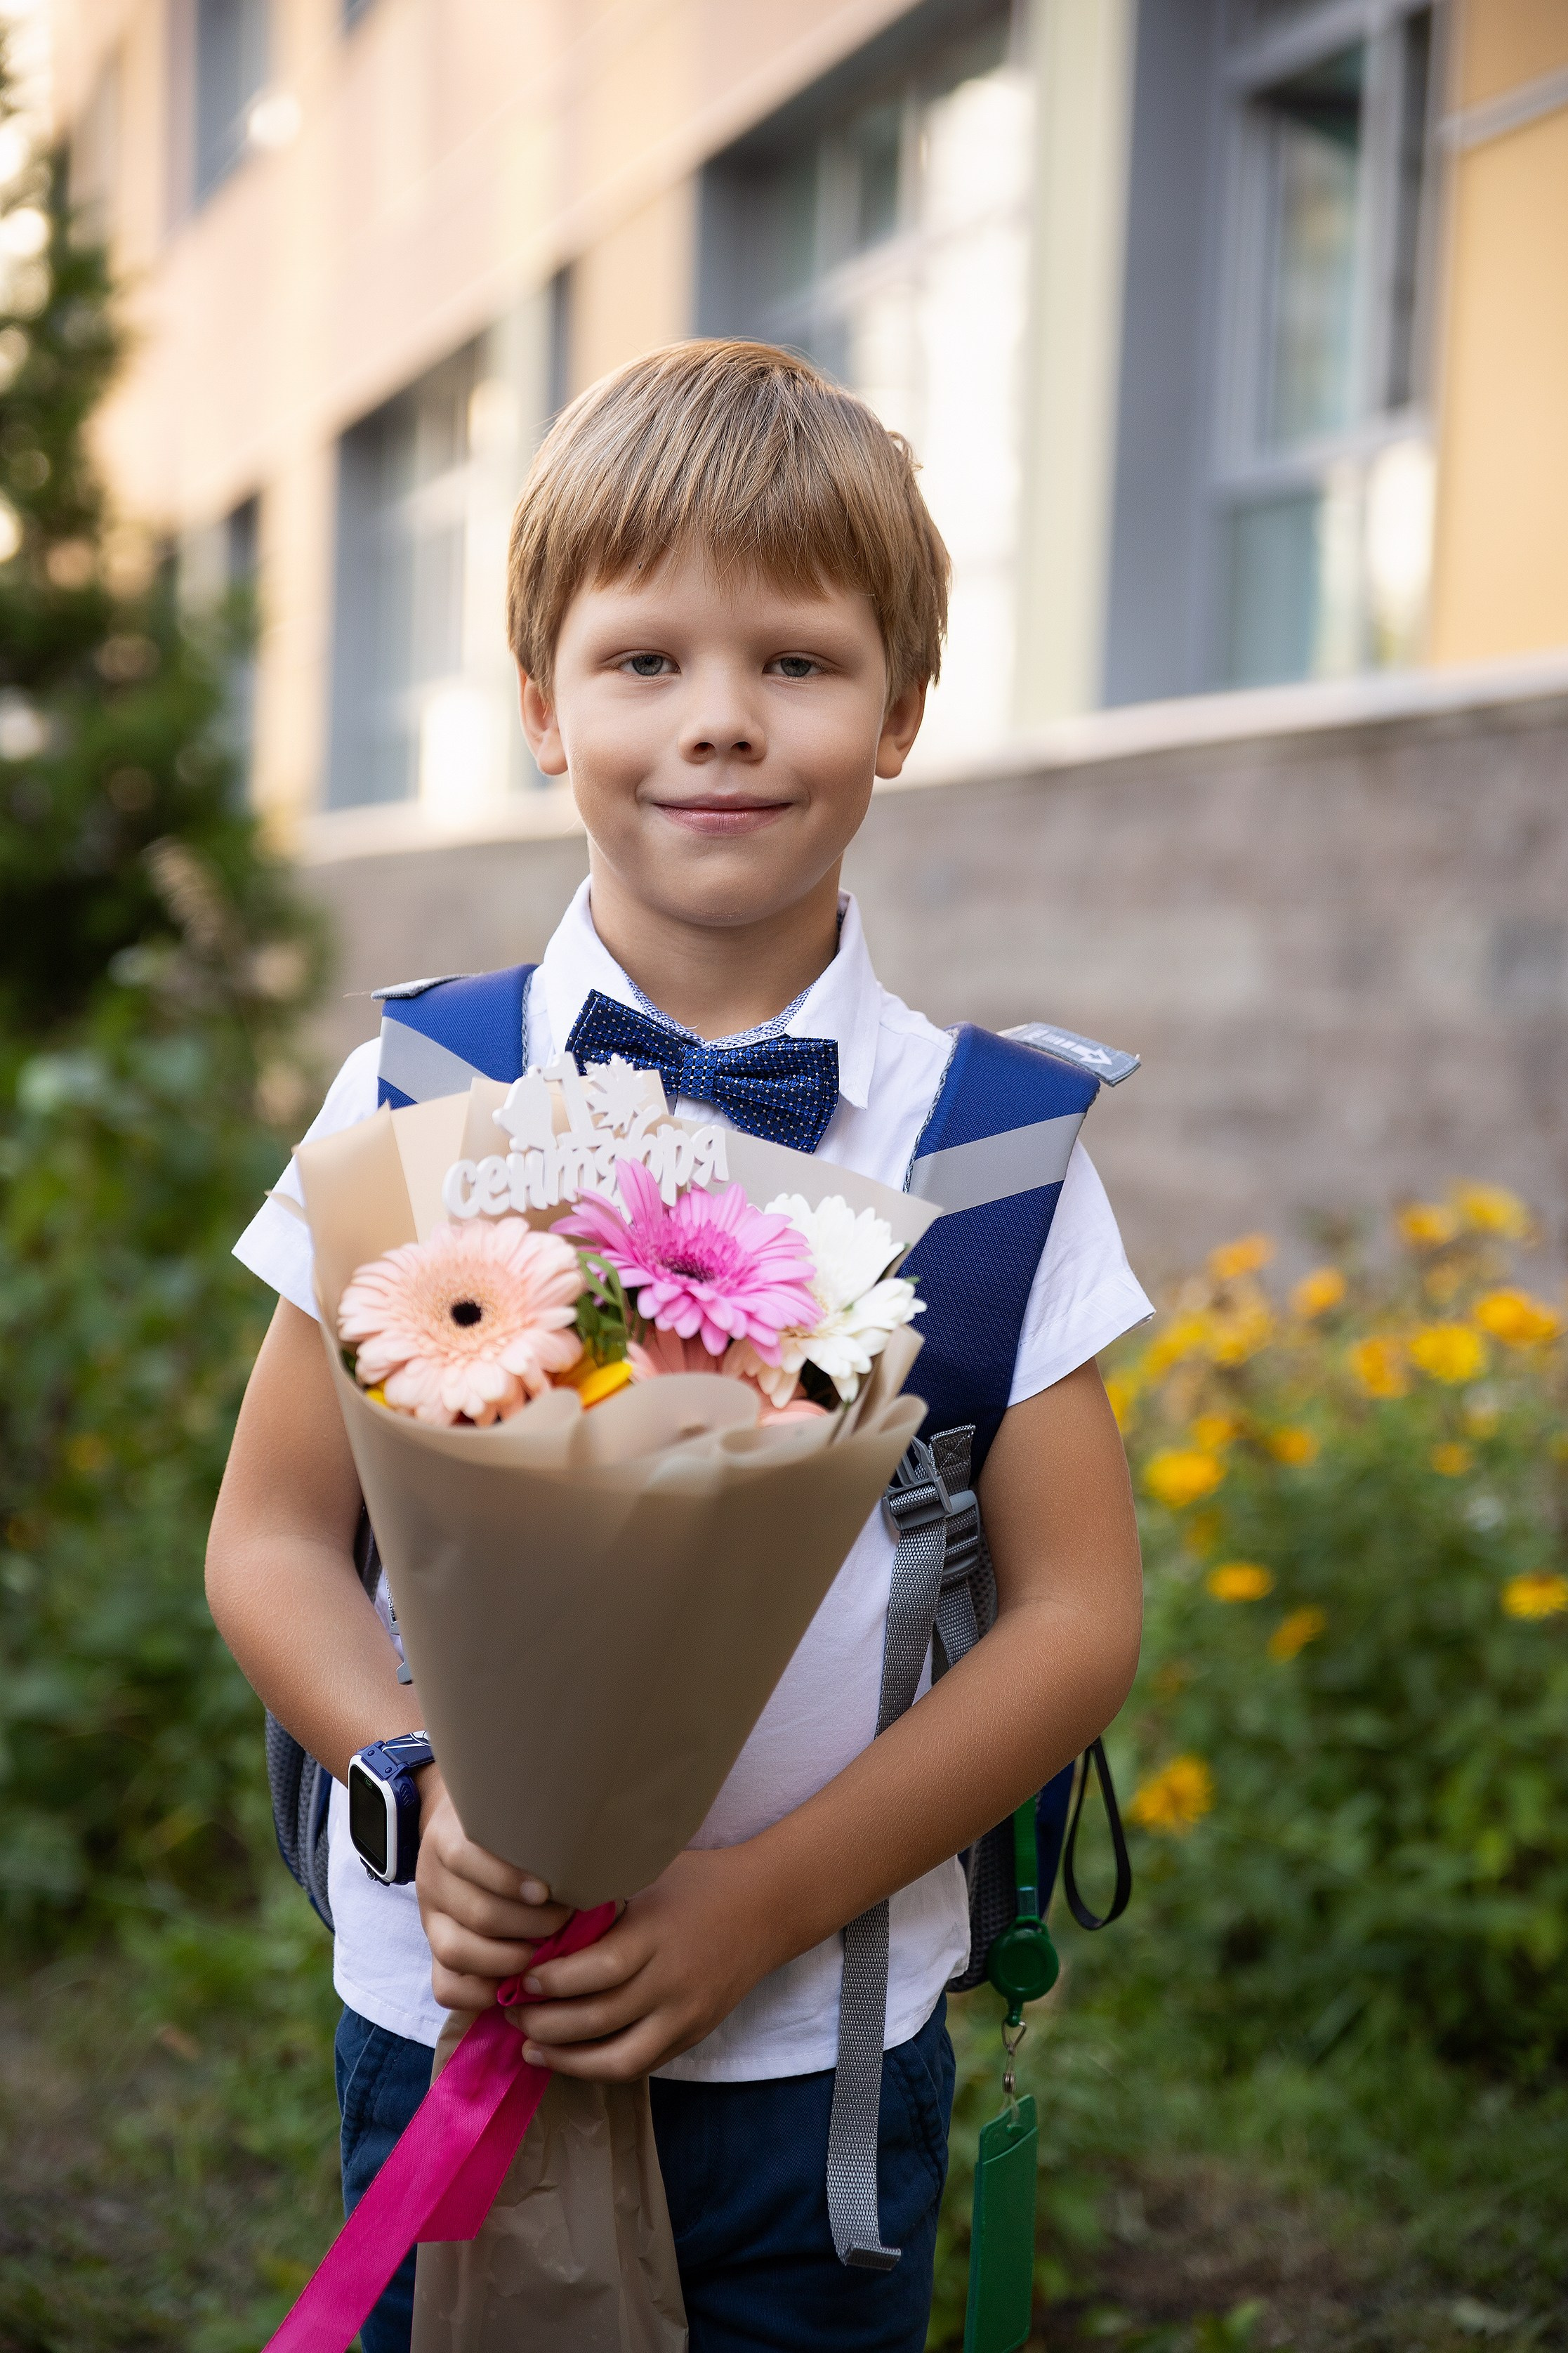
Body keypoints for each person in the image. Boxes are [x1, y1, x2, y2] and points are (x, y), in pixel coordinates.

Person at [207, 339, 1148, 2353]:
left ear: (900, 709)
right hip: (455, 2015)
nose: (718, 724)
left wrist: (768, 1900)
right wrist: (416, 1782)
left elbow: (1076, 1620)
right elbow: (274, 1538)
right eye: (646, 662)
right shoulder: (410, 1101)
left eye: (796, 663)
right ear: (541, 706)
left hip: (815, 2050)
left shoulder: (991, 1159)